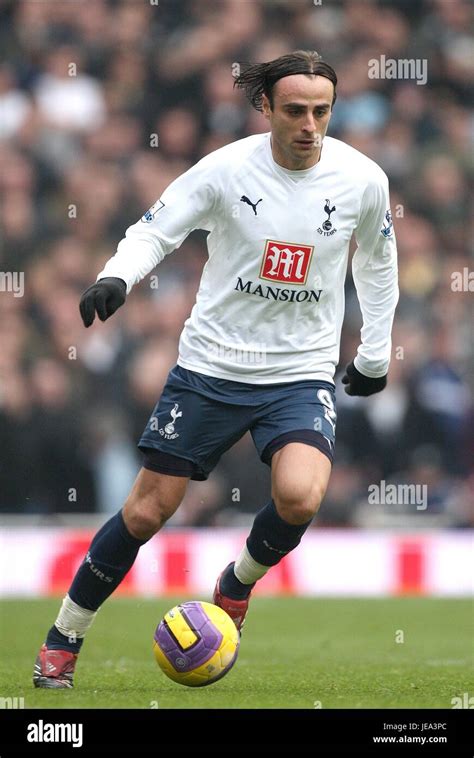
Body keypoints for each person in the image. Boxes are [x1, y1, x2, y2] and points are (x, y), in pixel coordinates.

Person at [33, 50, 398, 688]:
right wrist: (117, 276)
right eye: (295, 110)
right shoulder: (226, 170)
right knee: (148, 513)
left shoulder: (363, 179)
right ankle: (64, 637)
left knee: (302, 495)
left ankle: (235, 586)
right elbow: (156, 229)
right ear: (266, 109)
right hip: (211, 366)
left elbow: (378, 268)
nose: (310, 124)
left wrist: (373, 353)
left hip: (299, 371)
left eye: (321, 111)